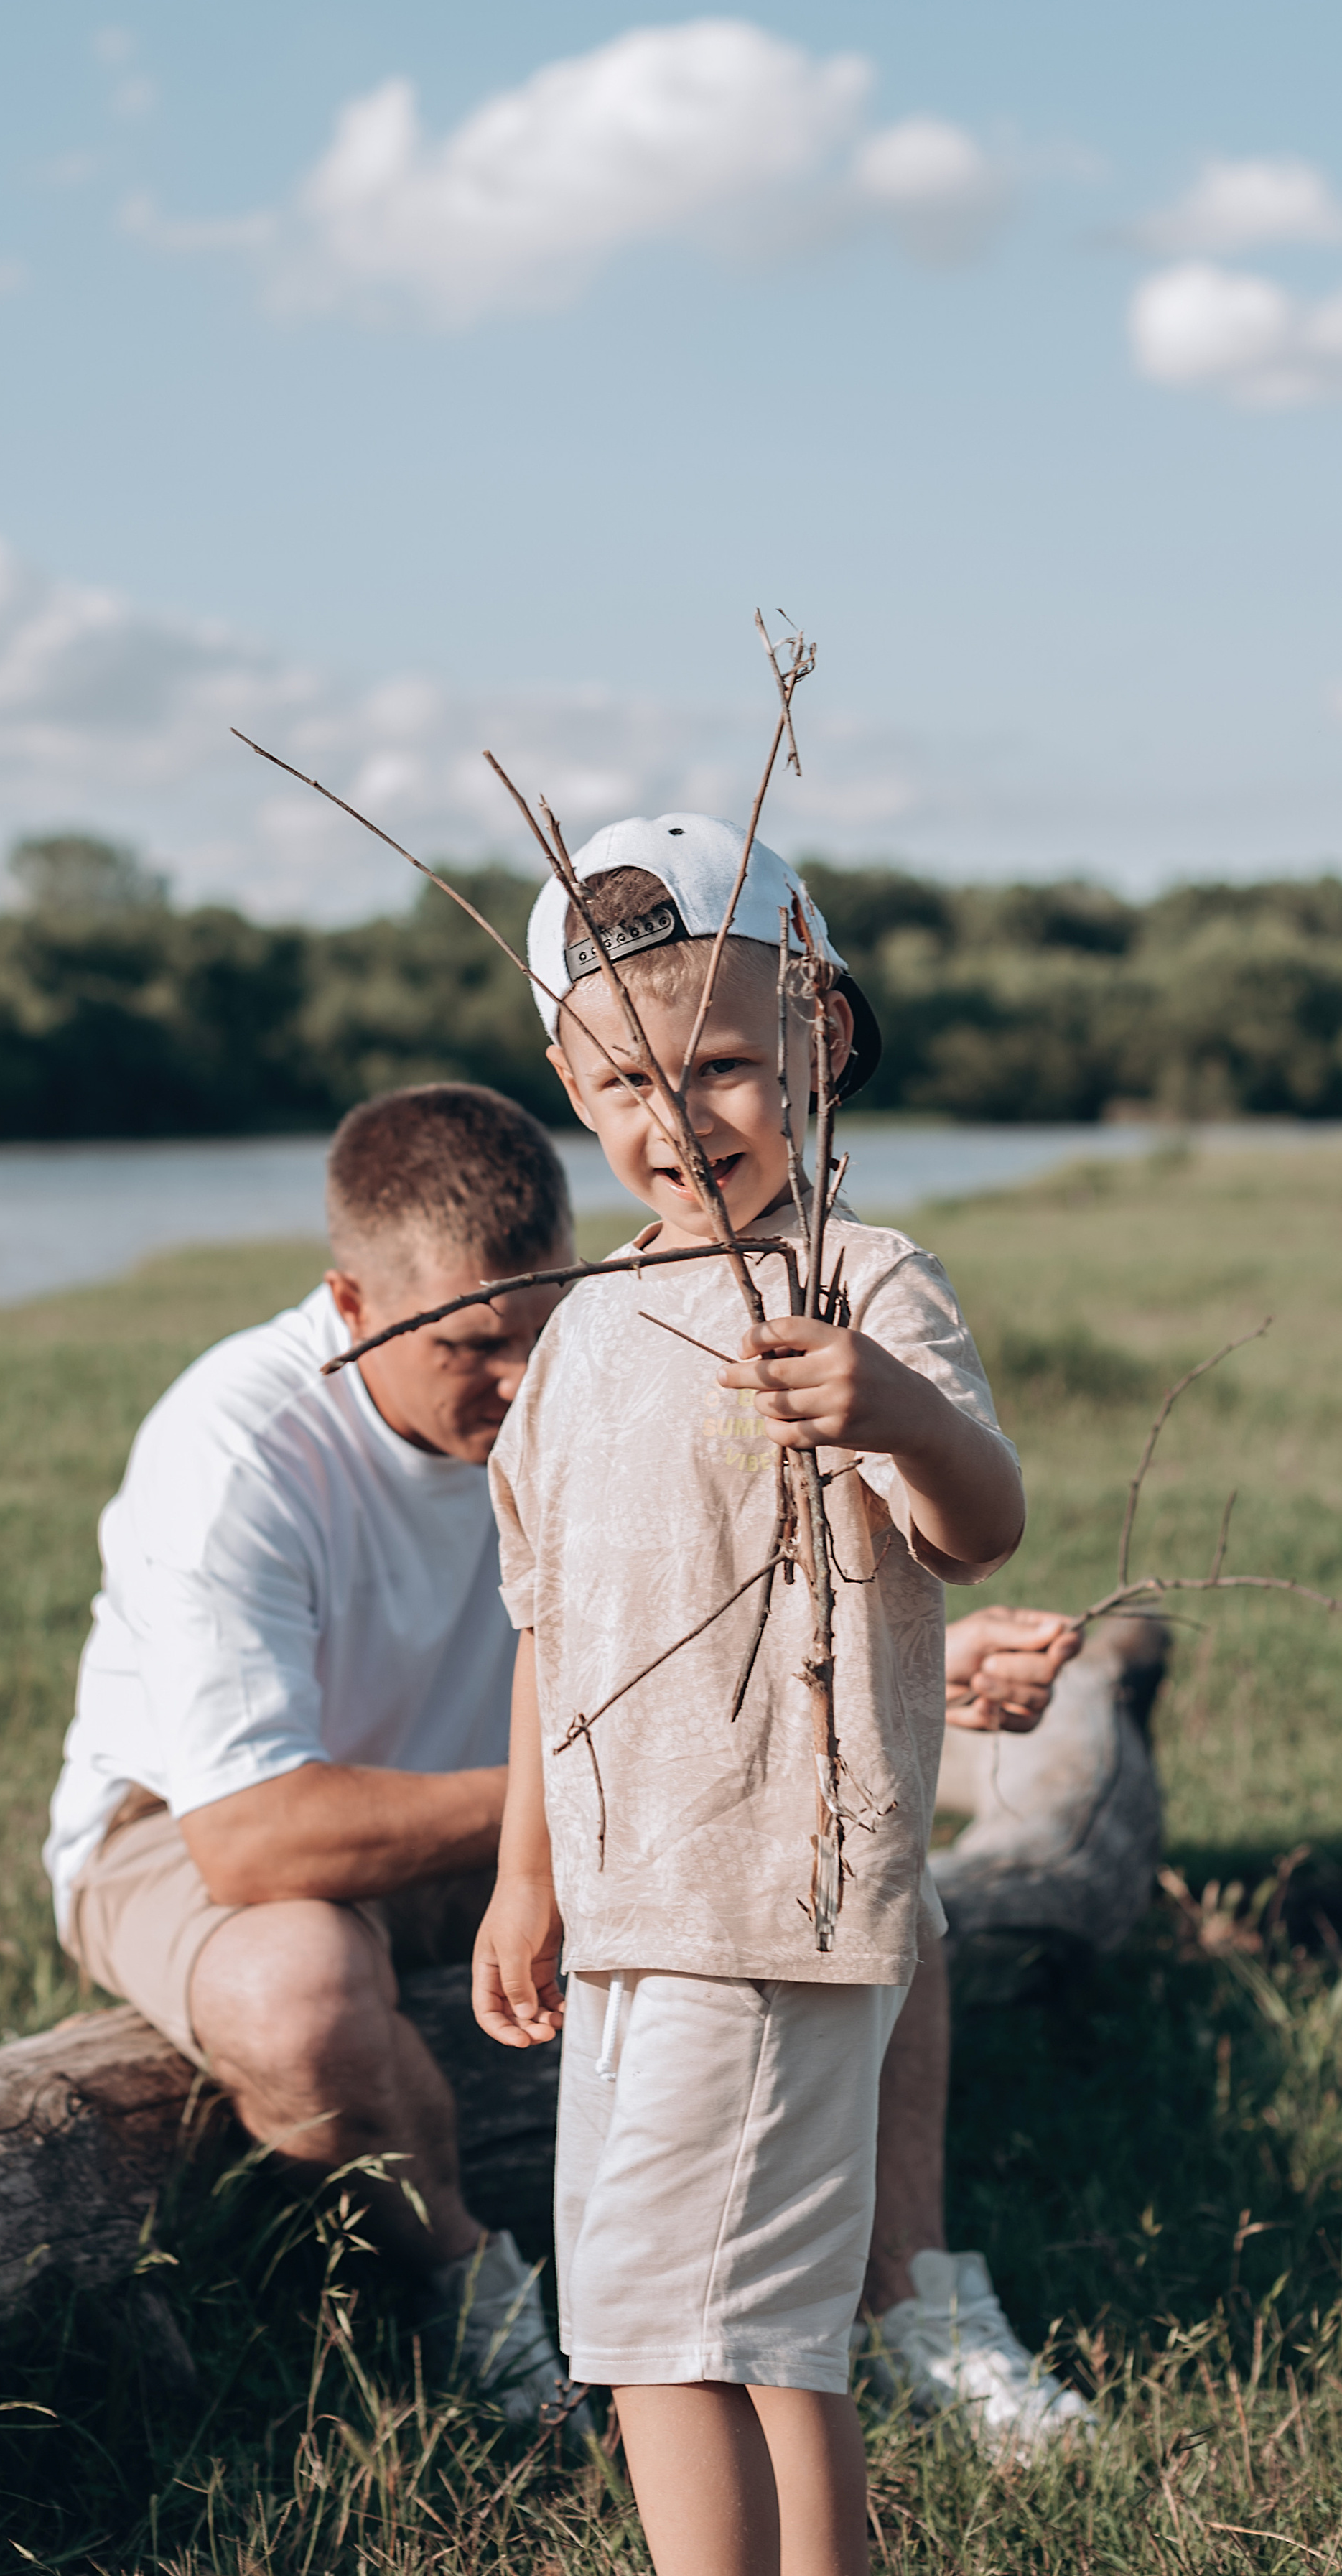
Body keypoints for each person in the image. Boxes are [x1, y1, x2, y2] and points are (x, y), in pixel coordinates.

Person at [43, 1079, 1090, 2444]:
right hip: (206, 1835)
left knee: (853, 1874)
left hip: (521, 1807)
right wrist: (588, 1799)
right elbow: (250, 1836)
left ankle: (913, 2305)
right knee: (297, 1993)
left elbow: (716, 1610)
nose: (521, 1374)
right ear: (352, 1304)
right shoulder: (237, 1445)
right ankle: (472, 2291)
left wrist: (909, 1669)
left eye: (542, 1323)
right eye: (474, 1343)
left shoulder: (610, 1356)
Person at [472, 812, 1053, 2576]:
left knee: (662, 2331)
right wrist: (525, 1875)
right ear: (568, 1085)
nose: (678, 1117)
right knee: (751, 2330)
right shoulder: (579, 1328)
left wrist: (899, 1413)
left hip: (773, 1895)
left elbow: (976, 1527)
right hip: (630, 1907)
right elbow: (551, 1630)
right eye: (625, 1081)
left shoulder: (857, 1286)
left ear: (821, 1035)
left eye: (721, 1063)